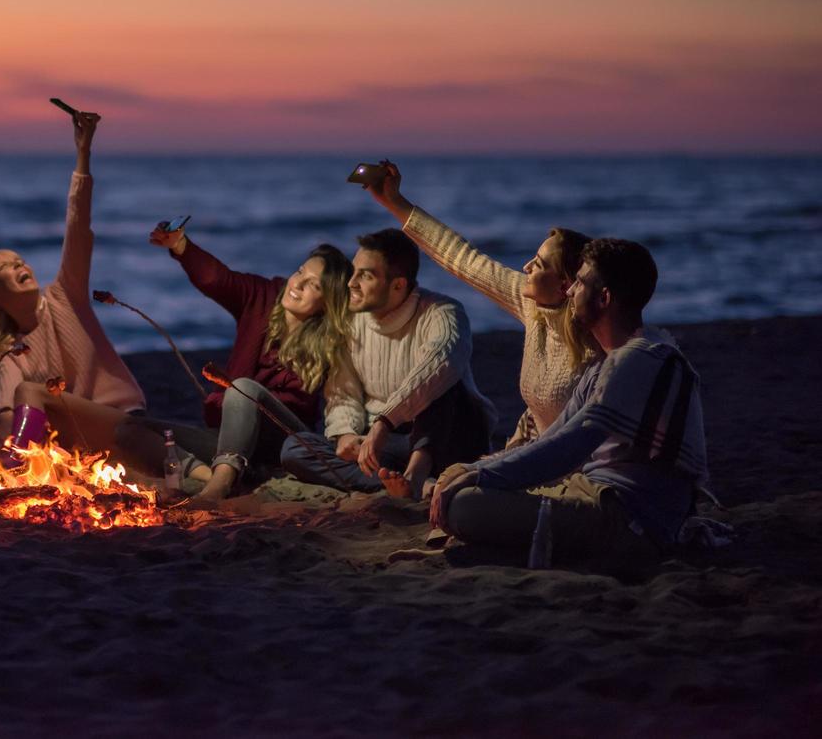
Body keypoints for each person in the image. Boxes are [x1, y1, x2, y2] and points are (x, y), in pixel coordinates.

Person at [431, 239, 708, 568]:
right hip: (592, 492)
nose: (570, 291)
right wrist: (476, 471)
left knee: (465, 505)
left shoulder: (638, 359)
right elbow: (554, 437)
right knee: (456, 476)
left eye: (579, 282)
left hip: (626, 516)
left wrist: (482, 477)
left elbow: (569, 447)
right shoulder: (605, 364)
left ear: (604, 298)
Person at [359, 160, 595, 448]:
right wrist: (395, 202)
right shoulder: (532, 305)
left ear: (564, 285)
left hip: (570, 468)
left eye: (540, 264)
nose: (527, 266)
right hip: (531, 453)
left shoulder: (596, 342)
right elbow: (461, 257)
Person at [115, 230, 354, 501]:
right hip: (230, 438)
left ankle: (221, 485)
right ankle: (214, 475)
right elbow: (218, 279)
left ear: (328, 301)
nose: (297, 284)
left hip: (283, 441)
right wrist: (182, 246)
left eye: (314, 285)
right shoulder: (263, 296)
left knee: (243, 390)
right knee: (130, 431)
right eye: (300, 272)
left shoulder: (334, 338)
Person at [0, 108, 145, 455]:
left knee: (30, 395)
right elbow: (6, 413)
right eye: (6, 265)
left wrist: (83, 153)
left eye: (19, 259)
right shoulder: (13, 357)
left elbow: (77, 225)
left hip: (124, 421)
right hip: (79, 443)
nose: (20, 263)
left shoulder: (66, 296)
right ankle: (12, 471)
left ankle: (18, 469)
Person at [280, 228, 495, 499]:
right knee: (295, 449)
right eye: (354, 271)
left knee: (441, 383)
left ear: (398, 285)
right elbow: (342, 392)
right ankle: (400, 485)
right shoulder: (350, 320)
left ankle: (416, 476)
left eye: (365, 276)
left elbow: (439, 366)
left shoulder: (442, 313)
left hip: (447, 439)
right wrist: (346, 435)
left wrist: (385, 420)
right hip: (387, 443)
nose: (351, 283)